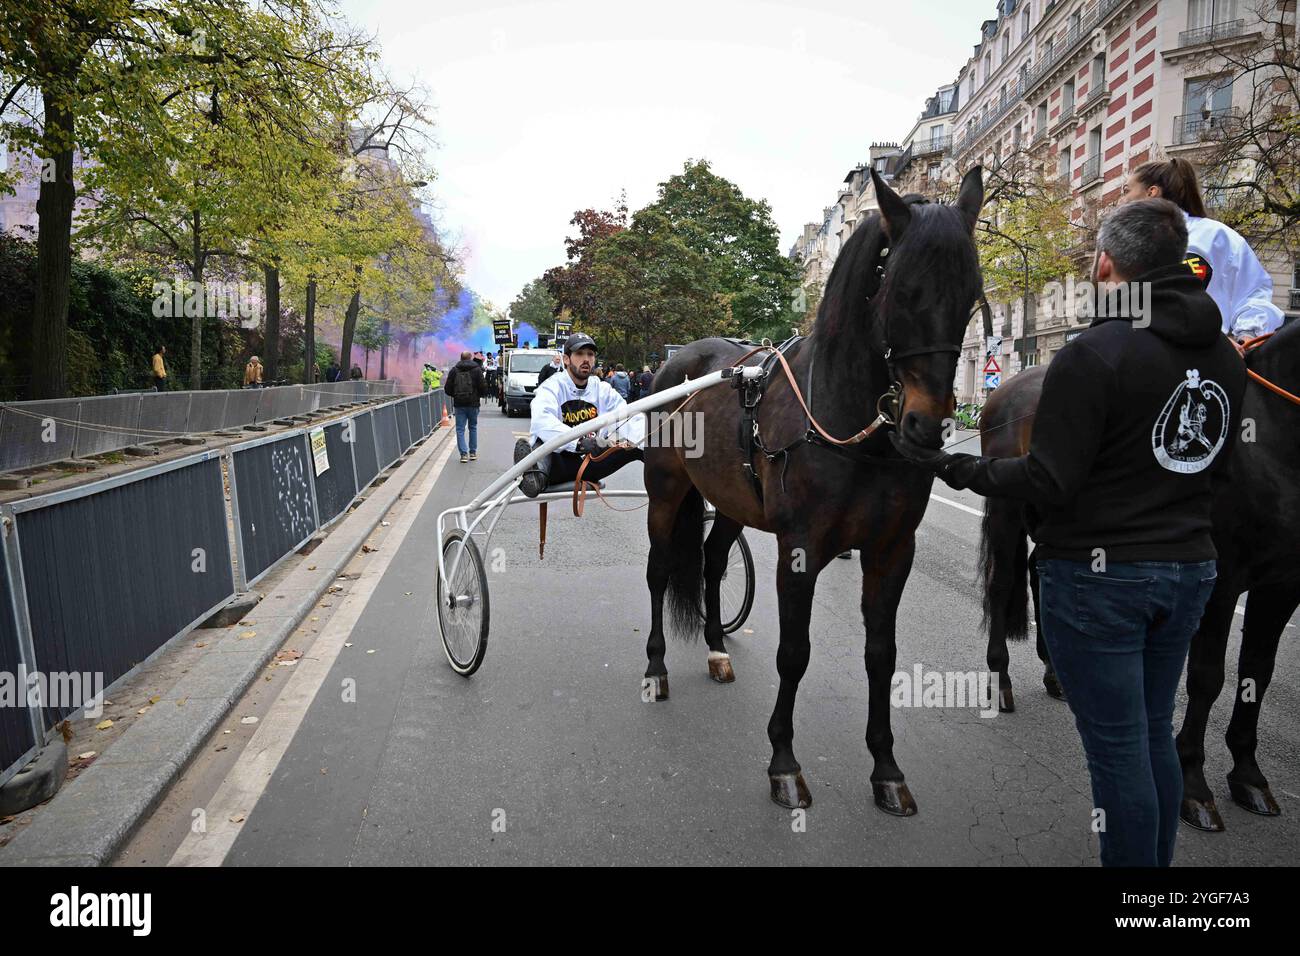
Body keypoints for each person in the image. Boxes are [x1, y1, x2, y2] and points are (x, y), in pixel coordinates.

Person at [892, 199, 1246, 867]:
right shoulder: (1225, 358)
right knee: (1150, 736)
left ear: (1106, 263)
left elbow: (1051, 481)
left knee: (1118, 756)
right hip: (1189, 570)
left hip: (1100, 581)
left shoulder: (1095, 353)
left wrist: (960, 467)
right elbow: (1216, 469)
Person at [1122, 158, 1284, 342]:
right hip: (1140, 354)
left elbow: (1252, 292)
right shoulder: (1124, 245)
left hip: (1204, 357)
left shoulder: (1214, 236)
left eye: (1126, 191)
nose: (1122, 200)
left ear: (1151, 192)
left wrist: (1247, 335)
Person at [513, 333, 645, 497]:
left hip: (590, 462)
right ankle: (534, 476)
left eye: (590, 354)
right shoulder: (552, 386)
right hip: (558, 463)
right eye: (579, 354)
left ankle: (673, 482)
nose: (586, 359)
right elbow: (542, 421)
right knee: (541, 439)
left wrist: (653, 438)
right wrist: (579, 442)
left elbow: (627, 419)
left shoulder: (602, 389)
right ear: (566, 359)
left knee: (640, 447)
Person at [444, 350, 488, 463]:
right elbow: (483, 387)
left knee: (460, 429)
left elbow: (447, 389)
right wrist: (479, 396)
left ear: (461, 358)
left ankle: (463, 454)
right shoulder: (477, 370)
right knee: (473, 427)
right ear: (470, 358)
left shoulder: (454, 370)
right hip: (473, 404)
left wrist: (455, 395)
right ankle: (472, 452)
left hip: (459, 405)